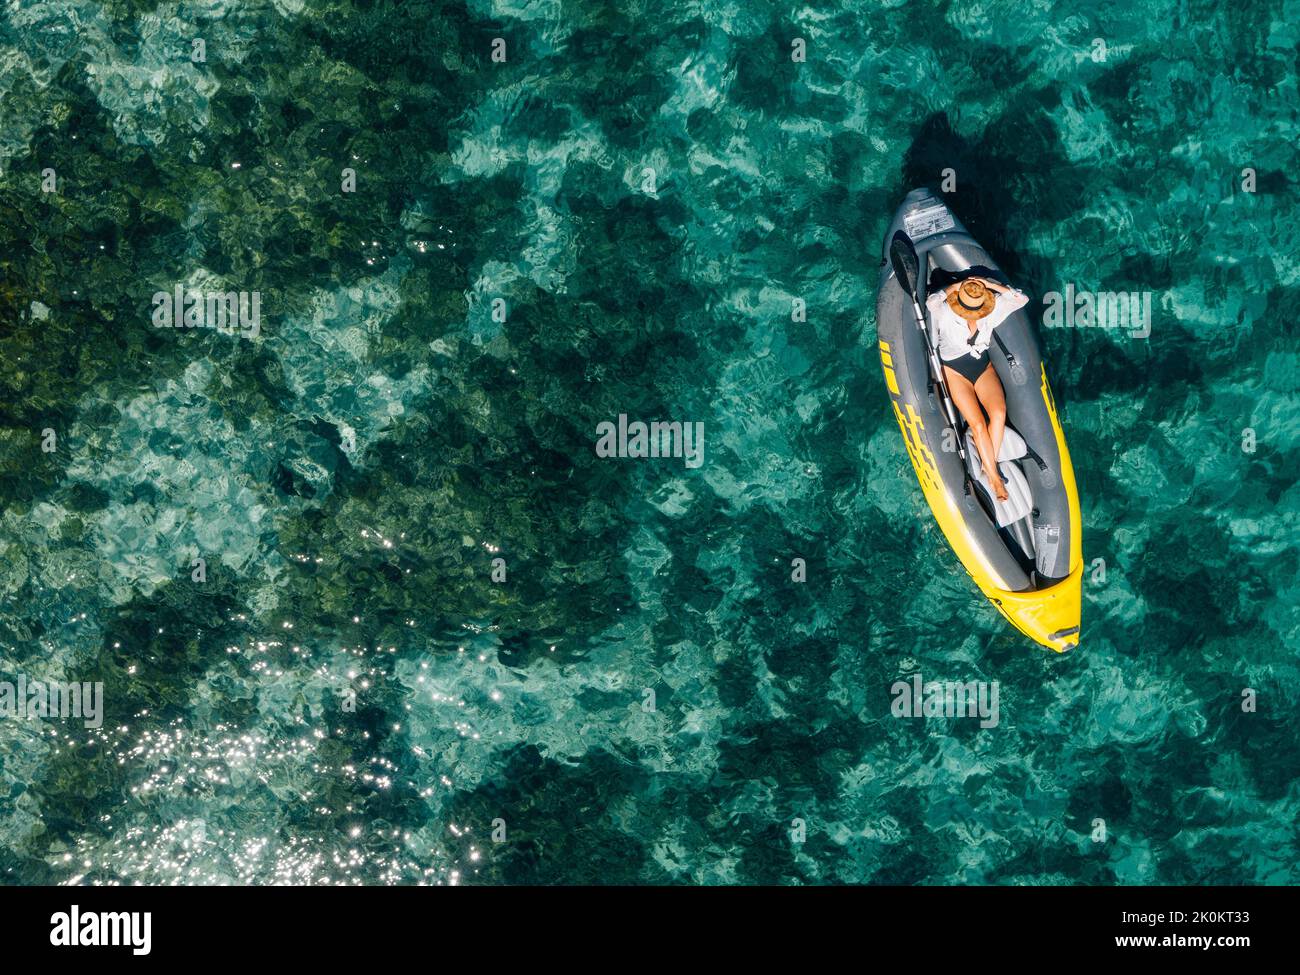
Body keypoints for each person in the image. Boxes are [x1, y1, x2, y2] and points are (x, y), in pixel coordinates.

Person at [925, 276, 1028, 501]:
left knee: (999, 414)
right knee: (978, 424)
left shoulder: (990, 310)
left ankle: (986, 464)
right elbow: (931, 302)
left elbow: (1021, 299)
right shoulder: (945, 311)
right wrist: (955, 287)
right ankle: (994, 477)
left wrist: (989, 285)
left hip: (983, 367)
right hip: (955, 371)